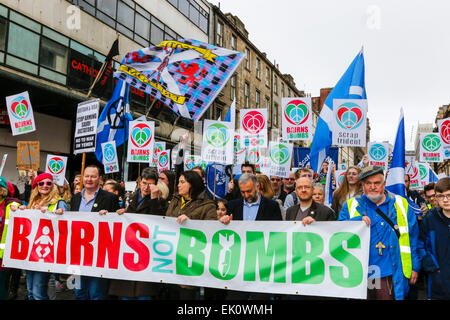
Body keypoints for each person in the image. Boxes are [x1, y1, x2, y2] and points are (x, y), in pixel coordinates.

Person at [338, 166, 421, 300]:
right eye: (368, 183)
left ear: (384, 184)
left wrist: (415, 267)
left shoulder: (401, 204)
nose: (372, 187)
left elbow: (413, 238)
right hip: (361, 274)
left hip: (389, 273)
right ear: (362, 185)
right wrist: (357, 221)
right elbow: (339, 233)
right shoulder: (350, 205)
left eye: (377, 183)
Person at [219, 173, 282, 300]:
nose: (246, 195)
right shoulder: (233, 205)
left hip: (261, 266)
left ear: (257, 187)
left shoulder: (272, 206)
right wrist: (224, 222)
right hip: (238, 266)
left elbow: (278, 234)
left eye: (249, 191)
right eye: (242, 192)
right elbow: (225, 233)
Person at [109, 170, 168, 300]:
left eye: (150, 185)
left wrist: (154, 199)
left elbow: (158, 222)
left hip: (147, 253)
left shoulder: (160, 201)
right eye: (144, 183)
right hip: (129, 251)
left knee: (144, 295)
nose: (146, 188)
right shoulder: (129, 198)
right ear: (140, 181)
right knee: (125, 295)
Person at [12, 173, 68, 300]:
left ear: (52, 185)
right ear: (37, 186)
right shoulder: (32, 202)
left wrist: (54, 214)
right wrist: (21, 210)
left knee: (38, 292)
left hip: (46, 254)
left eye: (48, 183)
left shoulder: (59, 203)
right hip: (30, 253)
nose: (45, 186)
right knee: (31, 291)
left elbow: (65, 226)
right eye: (41, 183)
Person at [70, 165, 120, 300]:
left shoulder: (110, 198)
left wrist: (110, 216)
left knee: (96, 294)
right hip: (77, 255)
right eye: (86, 176)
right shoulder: (75, 198)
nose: (89, 179)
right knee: (79, 292)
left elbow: (118, 224)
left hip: (99, 256)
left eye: (93, 176)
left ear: (100, 179)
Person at [166, 170, 217, 299]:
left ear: (192, 185)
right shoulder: (175, 199)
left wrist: (192, 224)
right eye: (178, 182)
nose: (178, 185)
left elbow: (211, 232)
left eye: (182, 182)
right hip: (171, 260)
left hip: (190, 262)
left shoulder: (208, 205)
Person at [419, 177, 450, 300]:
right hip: (438, 283)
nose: (446, 200)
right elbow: (420, 245)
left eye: (449, 195)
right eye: (441, 196)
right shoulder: (430, 218)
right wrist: (432, 267)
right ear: (436, 197)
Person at [0, 177, 22, 300]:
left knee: (1, 289)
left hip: (2, 258)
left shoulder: (10, 205)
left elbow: (19, 206)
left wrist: (20, 208)